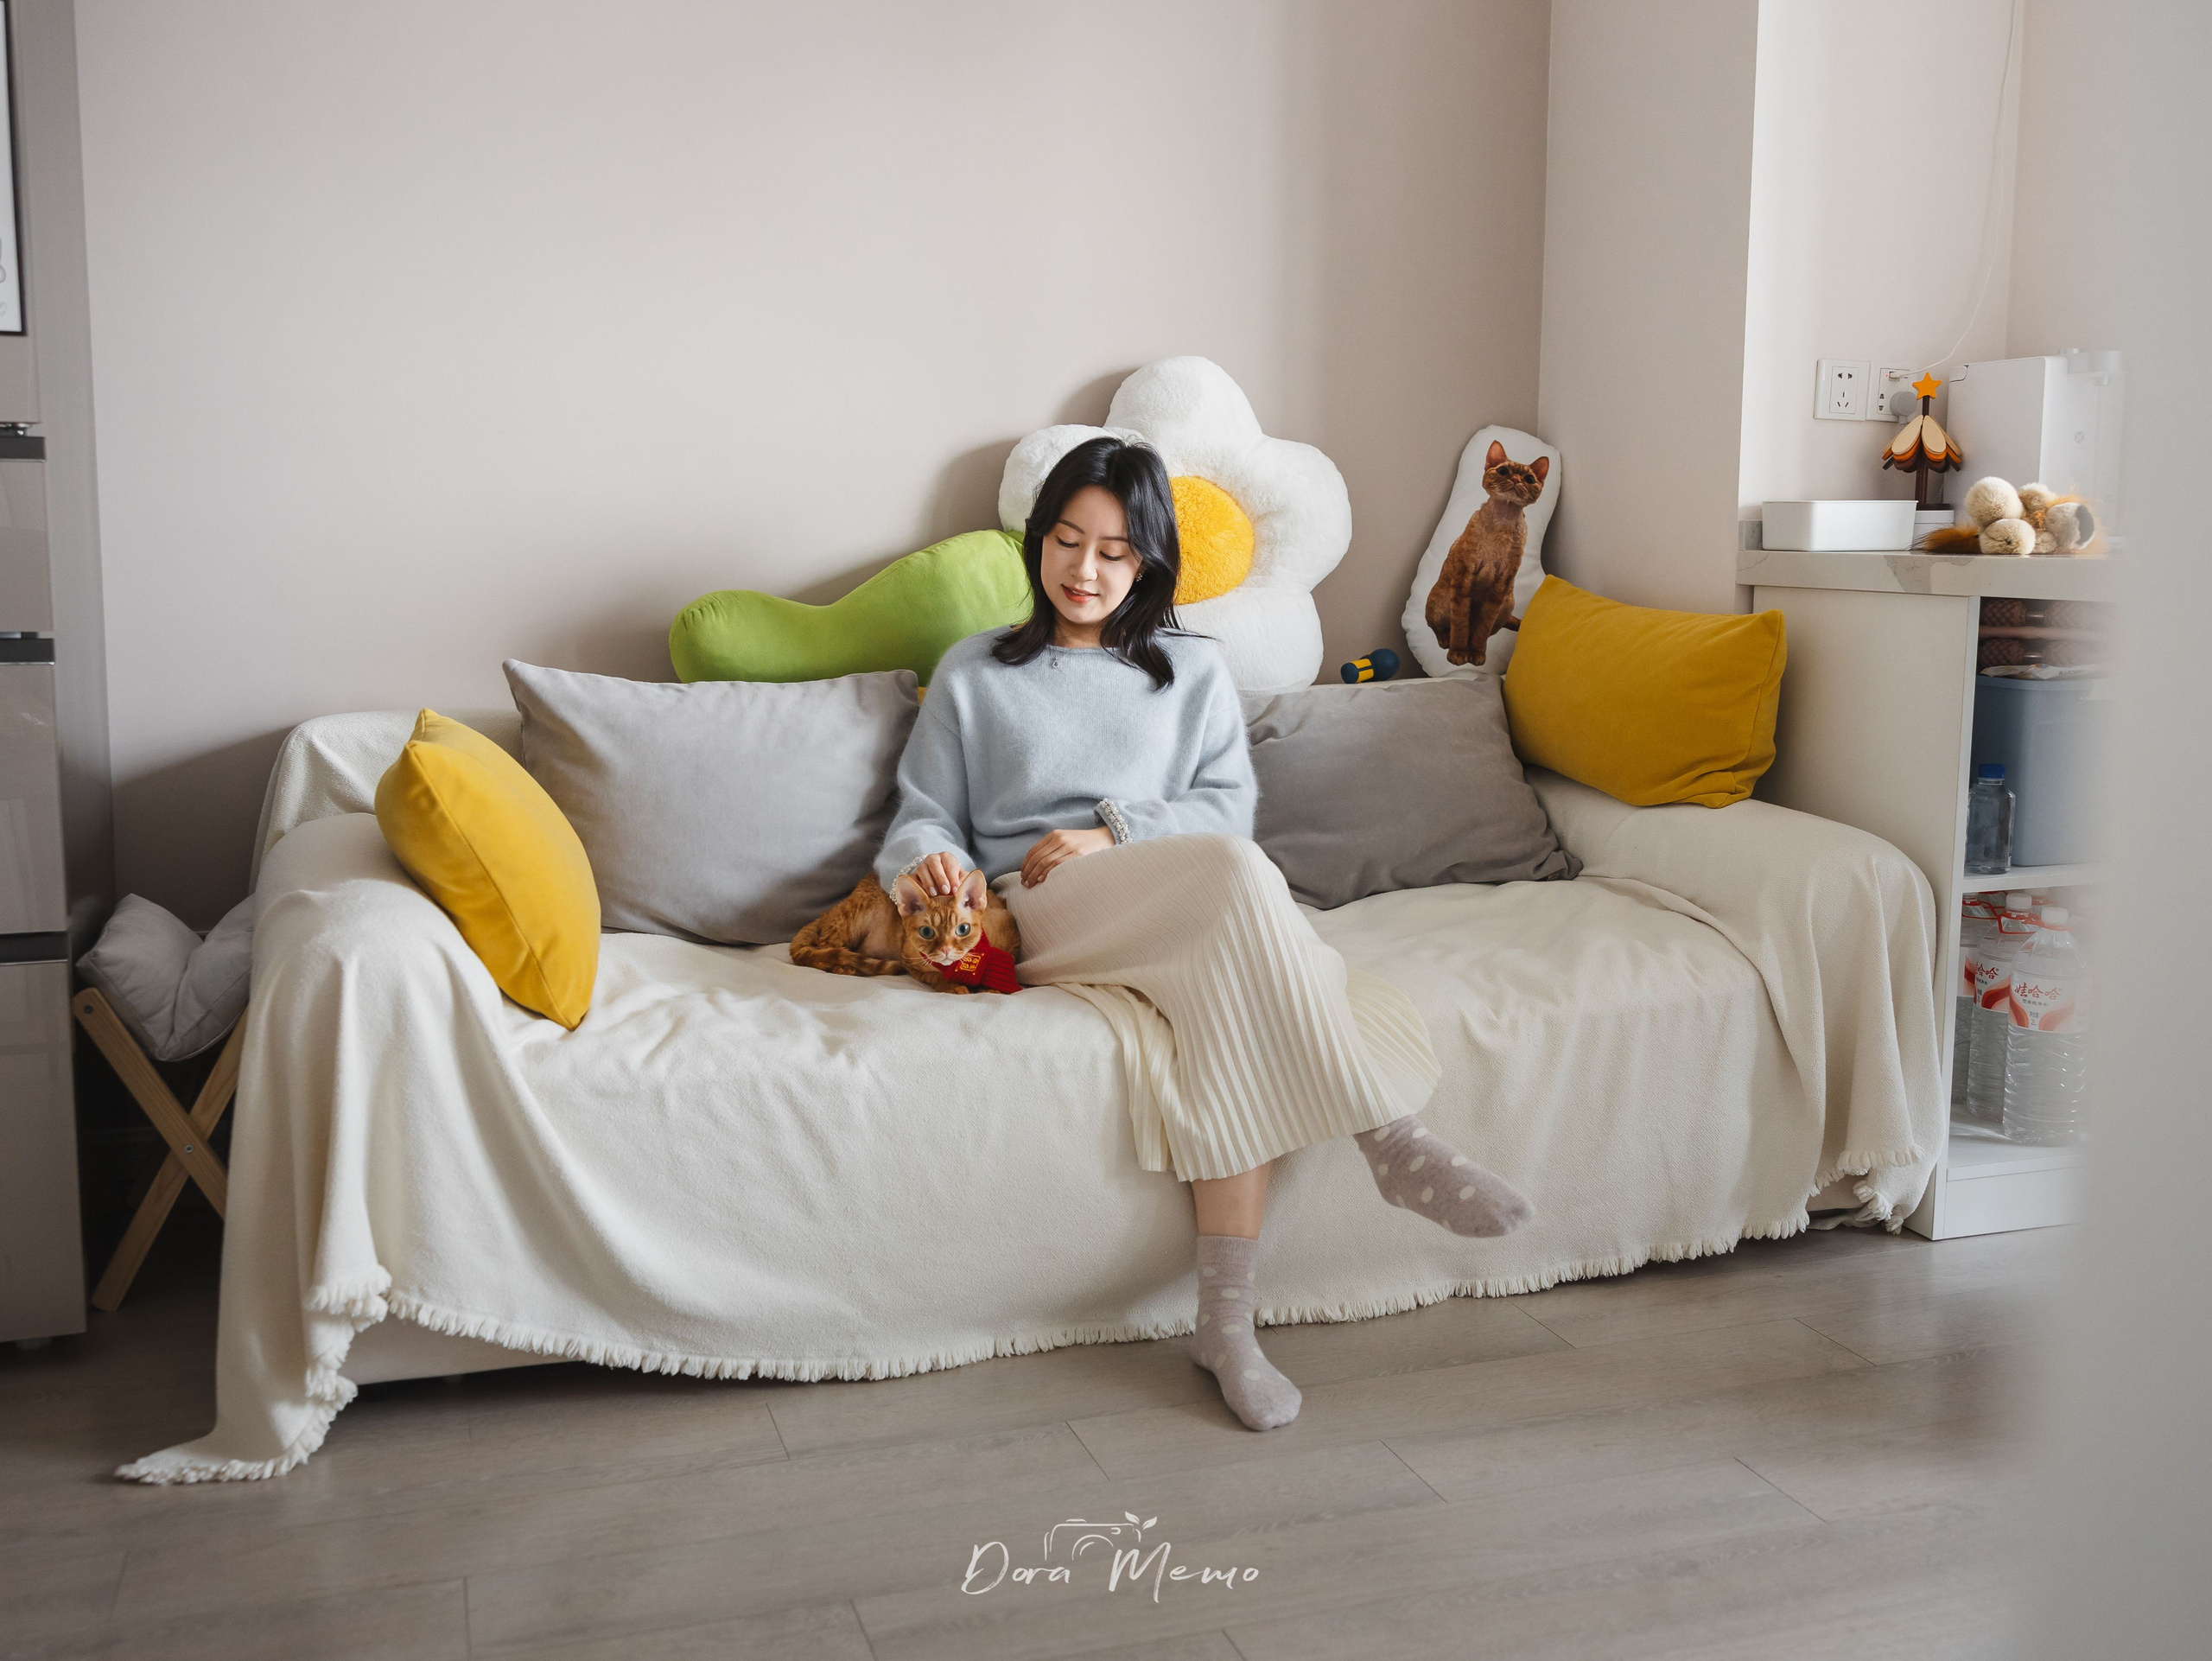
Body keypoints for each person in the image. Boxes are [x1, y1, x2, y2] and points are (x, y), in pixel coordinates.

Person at [876, 435, 1533, 1430]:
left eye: (1113, 551)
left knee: (1231, 994)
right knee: (1240, 881)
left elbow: (1227, 808)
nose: (1084, 569)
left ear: (1148, 561)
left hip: (1176, 892)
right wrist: (934, 863)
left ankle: (1225, 1326)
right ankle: (1389, 1134)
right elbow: (921, 815)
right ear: (1038, 541)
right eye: (1066, 540)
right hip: (1041, 902)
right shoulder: (976, 669)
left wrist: (1114, 829)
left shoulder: (1191, 669)